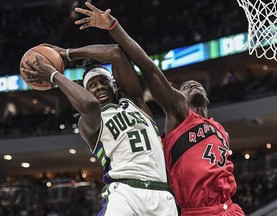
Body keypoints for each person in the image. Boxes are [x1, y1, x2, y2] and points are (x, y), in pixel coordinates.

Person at [74, 2, 245, 215]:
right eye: (185, 87)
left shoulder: (220, 130)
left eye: (196, 84)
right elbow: (149, 68)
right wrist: (114, 27)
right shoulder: (179, 114)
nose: (192, 84)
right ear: (179, 98)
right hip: (197, 210)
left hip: (232, 208)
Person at [21, 44, 178, 216]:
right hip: (124, 192)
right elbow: (90, 104)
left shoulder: (136, 104)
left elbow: (116, 52)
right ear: (86, 91)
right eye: (92, 85)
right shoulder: (89, 122)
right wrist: (54, 76)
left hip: (162, 194)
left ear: (114, 85)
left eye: (104, 82)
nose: (100, 87)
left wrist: (68, 53)